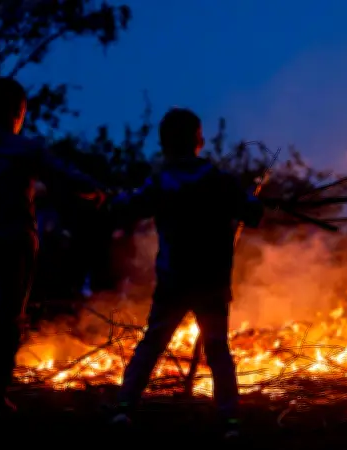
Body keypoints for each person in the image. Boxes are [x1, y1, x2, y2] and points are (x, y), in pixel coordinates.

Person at [0, 77, 105, 414]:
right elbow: (65, 175)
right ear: (19, 112)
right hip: (15, 242)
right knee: (9, 319)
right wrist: (97, 190)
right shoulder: (26, 150)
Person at [110, 108, 263, 438]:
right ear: (199, 141)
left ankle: (123, 409)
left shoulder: (161, 182)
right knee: (218, 349)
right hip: (211, 281)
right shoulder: (220, 181)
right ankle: (229, 422)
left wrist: (110, 199)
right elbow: (252, 214)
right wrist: (254, 200)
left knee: (152, 343)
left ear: (165, 144)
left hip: (173, 279)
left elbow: (130, 207)